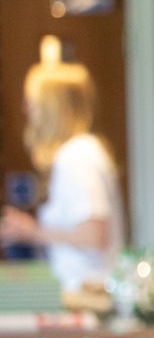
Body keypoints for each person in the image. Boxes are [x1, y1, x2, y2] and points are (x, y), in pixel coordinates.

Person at [0, 55, 127, 291]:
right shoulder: (79, 153)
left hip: (90, 294)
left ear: (53, 109)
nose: (28, 111)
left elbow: (94, 235)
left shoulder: (77, 157)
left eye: (35, 104)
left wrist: (32, 231)